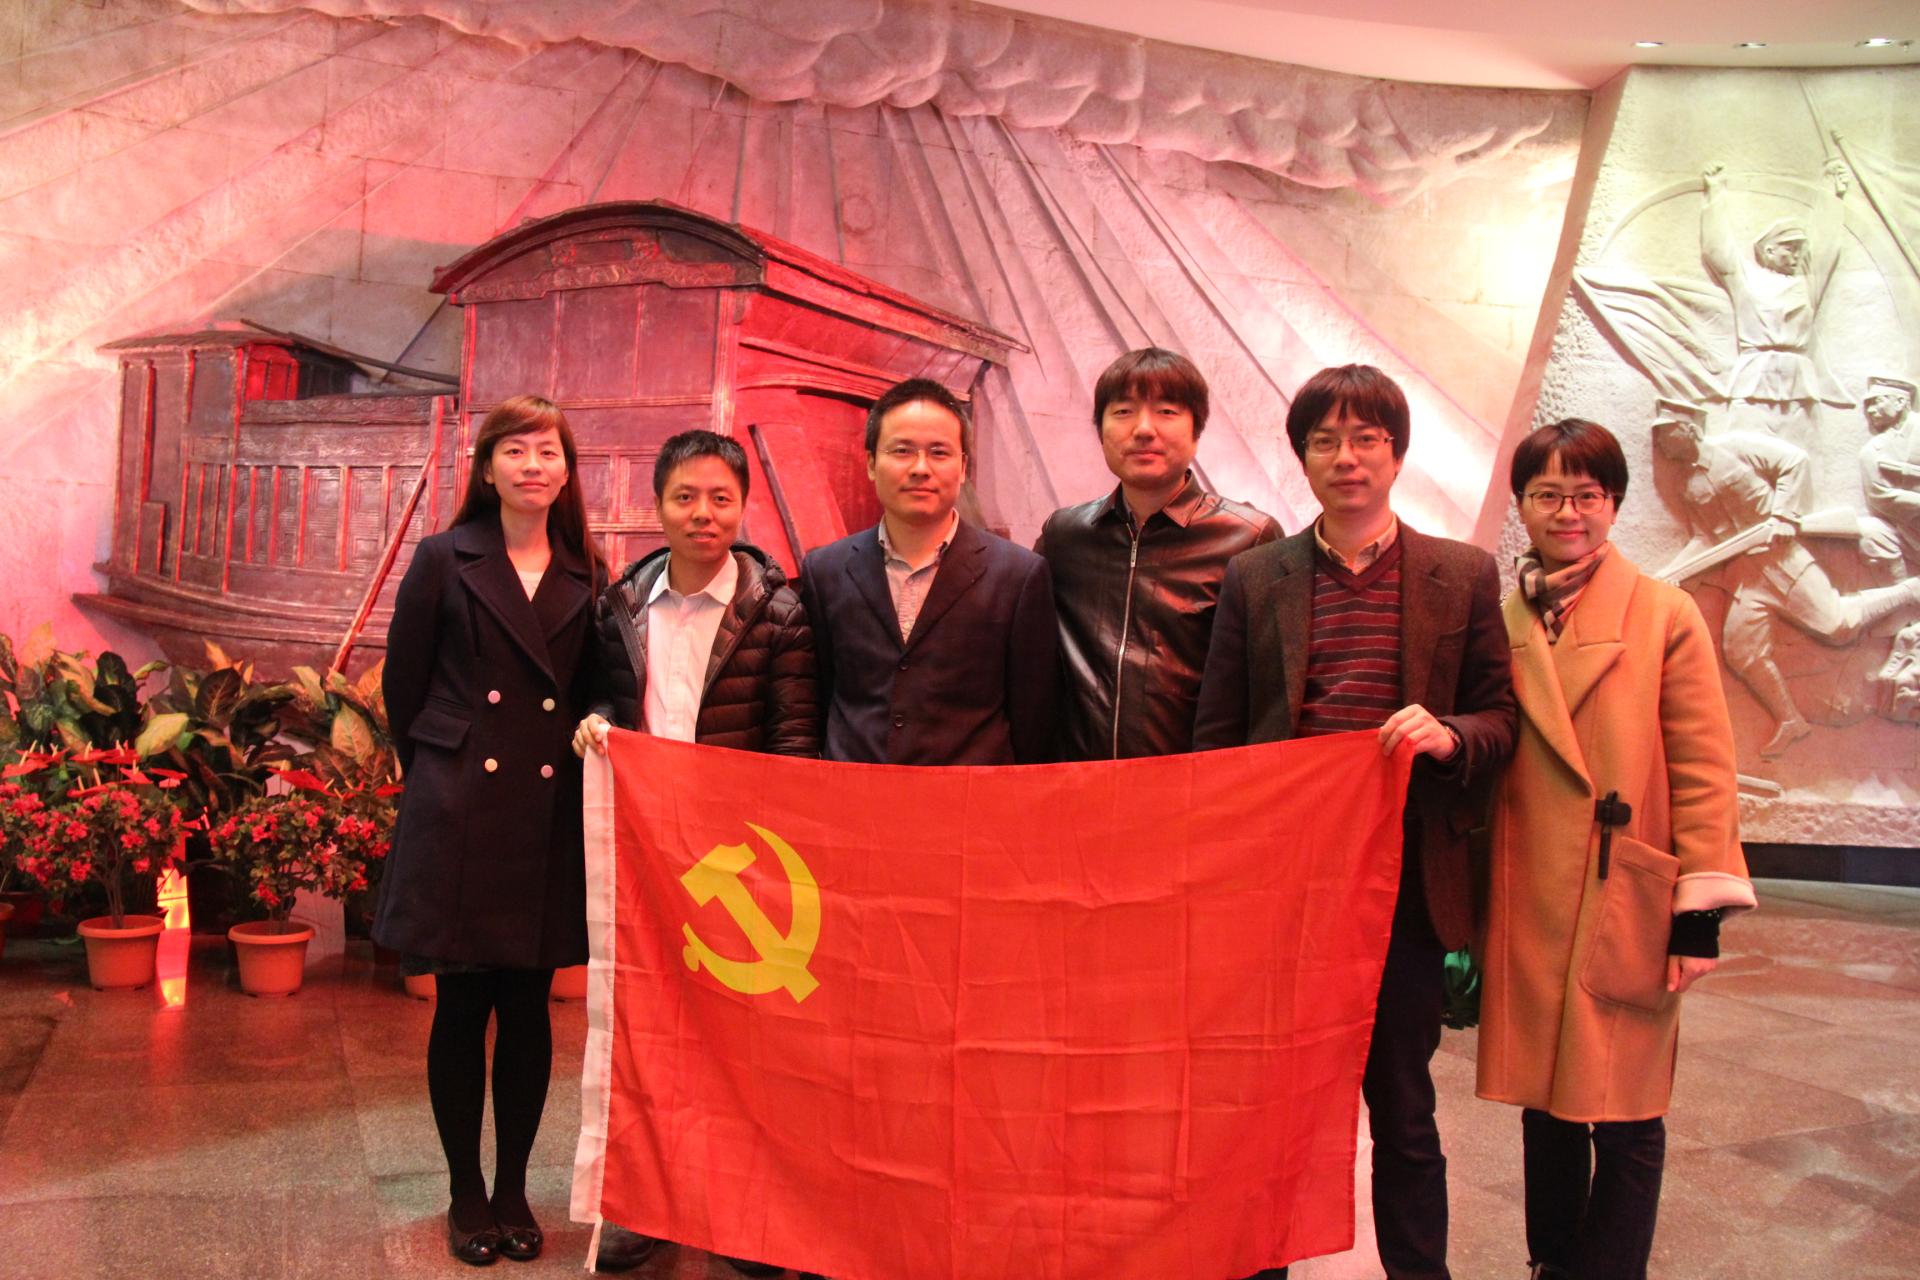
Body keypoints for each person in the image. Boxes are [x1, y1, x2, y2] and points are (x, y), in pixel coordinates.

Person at [1194, 364, 1516, 1280]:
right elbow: (1219, 737)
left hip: (1404, 887)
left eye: (1366, 439)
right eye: (1326, 441)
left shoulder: (1461, 573)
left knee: (1404, 1104)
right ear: (1303, 457)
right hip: (1287, 889)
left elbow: (1502, 718)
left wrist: (1449, 736)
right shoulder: (1257, 576)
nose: (1347, 458)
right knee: (1274, 1106)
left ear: (1396, 454)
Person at [1476, 418, 1758, 1280]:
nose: (1568, 512)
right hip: (1531, 892)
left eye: (1586, 494)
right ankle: (1553, 1263)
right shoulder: (1504, 618)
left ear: (1614, 503)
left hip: (1623, 889)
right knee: (1546, 1103)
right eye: (1547, 494)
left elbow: (1704, 767)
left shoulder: (1664, 612)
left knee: (1628, 1111)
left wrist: (1698, 918)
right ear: (1522, 506)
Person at [571, 428, 819, 1277]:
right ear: (659, 505)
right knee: (653, 1032)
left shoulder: (780, 613)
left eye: (720, 498)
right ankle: (648, 1202)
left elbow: (794, 743)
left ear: (742, 506)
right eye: (685, 497)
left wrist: (772, 860)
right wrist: (598, 727)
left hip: (740, 861)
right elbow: (608, 701)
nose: (702, 514)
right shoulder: (620, 608)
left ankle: (744, 1216)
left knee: (745, 1045)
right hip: (650, 854)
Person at [375, 394, 605, 1267]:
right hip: (460, 805)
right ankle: (465, 1191)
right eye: (516, 450)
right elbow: (405, 685)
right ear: (486, 467)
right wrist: (444, 770)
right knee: (463, 1005)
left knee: (529, 1008)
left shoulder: (588, 569)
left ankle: (513, 1187)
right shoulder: (446, 557)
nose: (532, 466)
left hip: (545, 809)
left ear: (566, 471)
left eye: (548, 452)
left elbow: (596, 684)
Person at [1036, 347, 1280, 760]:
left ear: (1197, 431)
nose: (1144, 429)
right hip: (1079, 779)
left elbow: (1271, 687)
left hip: (1194, 781)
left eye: (1166, 411)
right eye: (1123, 411)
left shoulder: (1248, 538)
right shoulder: (1065, 535)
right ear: (1100, 430)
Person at [800, 377, 1059, 766]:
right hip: (855, 792)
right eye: (902, 451)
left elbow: (1034, 719)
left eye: (939, 452)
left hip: (969, 797)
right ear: (871, 463)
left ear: (963, 467)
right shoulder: (825, 571)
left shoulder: (1019, 576)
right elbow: (819, 697)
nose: (920, 468)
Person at [1650, 400, 1920, 756]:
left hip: (1783, 560)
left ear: (1689, 429)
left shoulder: (1737, 448)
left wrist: (1783, 516)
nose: (1661, 444)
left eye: (1666, 433)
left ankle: (1909, 591)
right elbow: (1705, 538)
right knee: (1742, 652)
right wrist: (1675, 573)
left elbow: (1794, 461)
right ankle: (1791, 720)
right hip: (1745, 580)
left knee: (1837, 625)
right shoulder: (1689, 486)